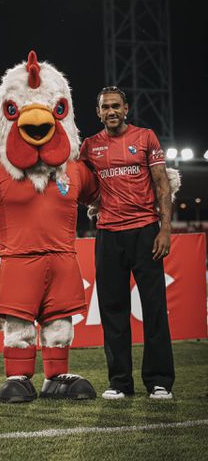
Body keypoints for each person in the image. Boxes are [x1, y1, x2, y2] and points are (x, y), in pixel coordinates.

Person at [80, 86, 175, 400]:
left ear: (126, 108)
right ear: (98, 112)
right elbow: (79, 183)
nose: (110, 111)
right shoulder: (90, 146)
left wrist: (165, 229)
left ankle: (159, 381)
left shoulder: (145, 137)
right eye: (105, 107)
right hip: (108, 234)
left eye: (115, 106)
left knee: (155, 308)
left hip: (146, 232)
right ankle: (120, 382)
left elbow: (162, 184)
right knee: (113, 310)